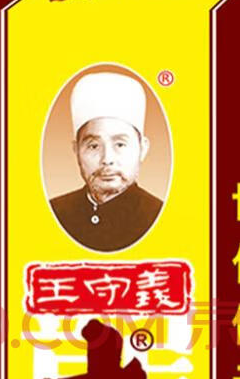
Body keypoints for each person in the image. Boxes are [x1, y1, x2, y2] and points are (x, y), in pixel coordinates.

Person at [50, 71, 163, 252]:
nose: (107, 159)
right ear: (76, 150)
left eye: (120, 144)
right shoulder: (54, 212)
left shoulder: (160, 216)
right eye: (93, 146)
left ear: (142, 149)